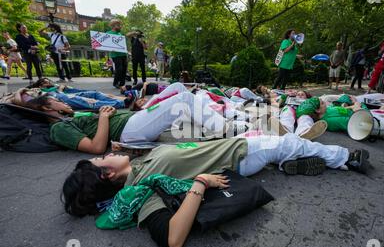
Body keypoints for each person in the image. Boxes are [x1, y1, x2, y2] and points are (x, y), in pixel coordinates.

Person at [62, 135, 371, 247]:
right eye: (101, 159)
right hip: (240, 154)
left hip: (233, 144)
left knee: (286, 148)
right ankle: (346, 159)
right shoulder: (140, 190)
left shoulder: (139, 163)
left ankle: (291, 164)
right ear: (108, 174)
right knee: (293, 141)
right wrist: (200, 183)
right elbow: (172, 239)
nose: (105, 152)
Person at [25, 90, 243, 154]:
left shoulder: (70, 117)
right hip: (129, 131)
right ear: (46, 107)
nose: (61, 101)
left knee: (181, 93)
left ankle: (223, 124)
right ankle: (227, 130)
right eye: (56, 100)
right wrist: (103, 117)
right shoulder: (59, 128)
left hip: (133, 122)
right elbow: (96, 147)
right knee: (184, 99)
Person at [107, 20, 128, 88]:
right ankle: (115, 83)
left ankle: (122, 84)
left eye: (120, 25)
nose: (120, 27)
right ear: (114, 26)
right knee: (119, 69)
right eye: (118, 25)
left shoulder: (120, 34)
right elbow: (104, 43)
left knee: (124, 69)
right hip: (115, 55)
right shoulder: (108, 33)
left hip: (123, 54)